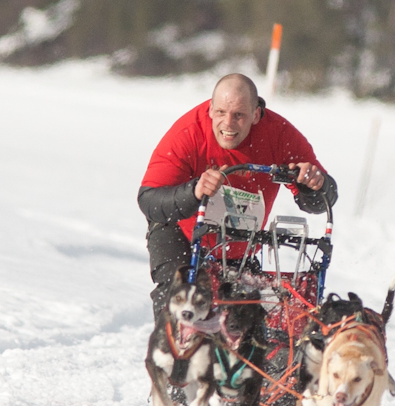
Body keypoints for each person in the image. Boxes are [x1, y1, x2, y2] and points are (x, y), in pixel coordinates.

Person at [138, 73, 337, 317]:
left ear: (256, 115)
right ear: (210, 109)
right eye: (220, 112)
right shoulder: (189, 133)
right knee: (180, 303)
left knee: (242, 321)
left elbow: (323, 200)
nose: (228, 124)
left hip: (237, 242)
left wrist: (313, 184)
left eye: (239, 115)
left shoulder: (280, 135)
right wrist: (194, 191)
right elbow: (149, 200)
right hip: (182, 232)